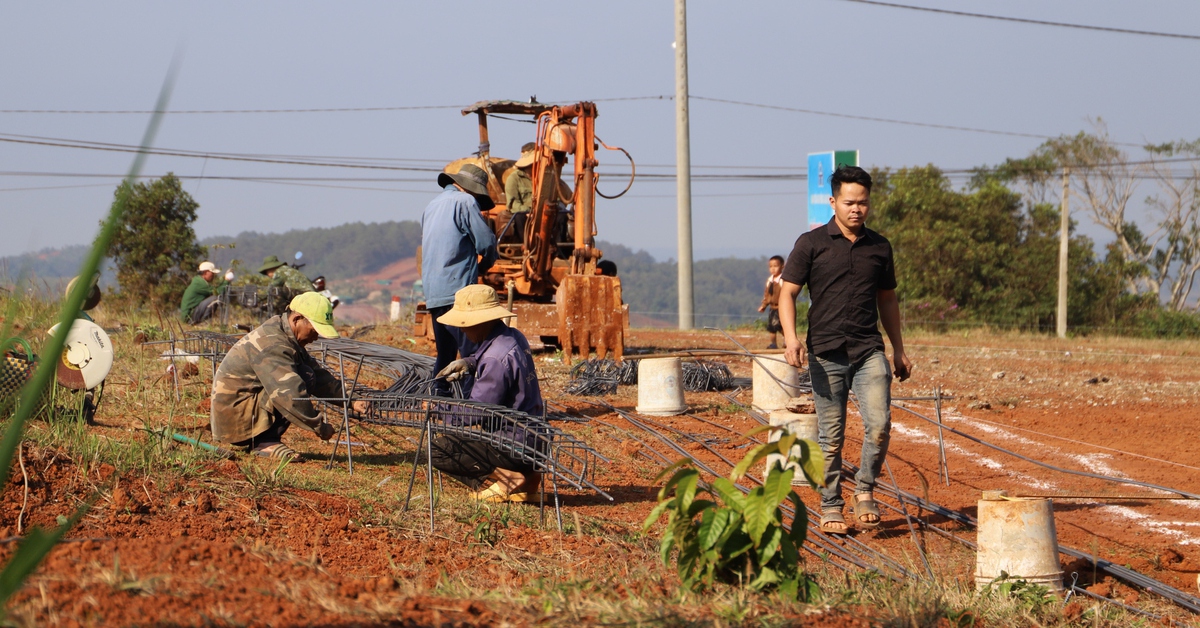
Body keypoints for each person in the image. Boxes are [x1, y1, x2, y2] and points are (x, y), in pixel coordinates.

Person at [777, 166, 912, 535]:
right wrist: (791, 338)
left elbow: (887, 298)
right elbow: (787, 293)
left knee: (880, 426)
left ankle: (865, 490)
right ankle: (831, 502)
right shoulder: (811, 243)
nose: (857, 209)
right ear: (833, 201)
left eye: (863, 203)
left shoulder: (880, 247)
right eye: (850, 202)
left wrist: (898, 349)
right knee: (831, 436)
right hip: (825, 351)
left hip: (868, 349)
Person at [210, 292, 367, 461]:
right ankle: (265, 442)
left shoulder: (284, 334)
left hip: (244, 410)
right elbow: (290, 394)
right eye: (314, 330)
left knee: (308, 372)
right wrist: (319, 427)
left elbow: (321, 378)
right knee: (302, 377)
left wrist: (352, 399)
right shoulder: (273, 343)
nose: (315, 338)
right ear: (297, 319)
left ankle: (264, 439)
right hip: (235, 417)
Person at [430, 285, 544, 502]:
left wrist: (438, 410)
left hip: (511, 444)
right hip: (533, 441)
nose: (462, 331)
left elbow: (475, 412)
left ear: (480, 322)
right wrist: (469, 363)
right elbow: (496, 360)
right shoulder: (513, 337)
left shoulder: (494, 360)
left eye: (465, 325)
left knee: (438, 449)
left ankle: (505, 478)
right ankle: (528, 478)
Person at [421, 164, 498, 396]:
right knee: (471, 354)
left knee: (445, 353)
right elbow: (486, 243)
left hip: (434, 292)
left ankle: (438, 396)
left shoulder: (431, 206)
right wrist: (487, 262)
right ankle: (470, 406)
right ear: (471, 189)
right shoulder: (466, 202)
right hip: (458, 292)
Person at [502, 143, 537, 242]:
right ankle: (526, 245)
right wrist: (529, 211)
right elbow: (513, 204)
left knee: (561, 215)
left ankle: (558, 252)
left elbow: (559, 199)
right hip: (525, 213)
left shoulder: (546, 178)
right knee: (519, 216)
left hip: (544, 213)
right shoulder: (514, 178)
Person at [757, 255, 785, 349]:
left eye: (775, 266)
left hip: (782, 307)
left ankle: (787, 341)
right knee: (772, 327)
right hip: (772, 308)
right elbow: (767, 295)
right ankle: (774, 344)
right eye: (771, 266)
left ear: (782, 266)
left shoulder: (783, 280)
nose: (773, 269)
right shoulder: (770, 281)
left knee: (781, 326)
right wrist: (764, 305)